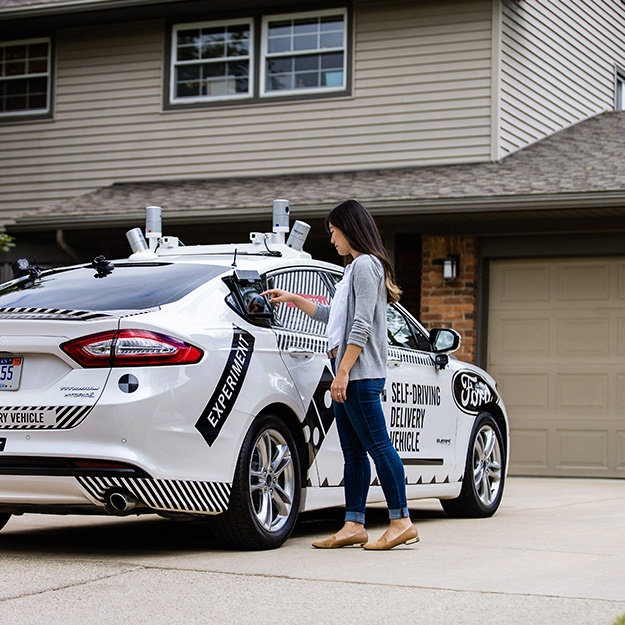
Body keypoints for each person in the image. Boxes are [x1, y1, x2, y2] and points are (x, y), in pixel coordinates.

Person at [262, 199, 419, 550]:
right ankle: (354, 524)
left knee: (379, 447)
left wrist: (343, 372)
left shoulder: (366, 266)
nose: (332, 240)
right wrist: (291, 298)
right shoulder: (352, 269)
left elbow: (360, 326)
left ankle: (401, 520)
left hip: (359, 374)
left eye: (334, 232)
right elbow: (335, 316)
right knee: (353, 453)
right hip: (349, 370)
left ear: (349, 229)